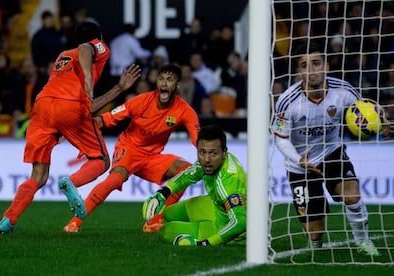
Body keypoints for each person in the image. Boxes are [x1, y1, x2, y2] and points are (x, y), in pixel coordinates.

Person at [0, 21, 141, 233]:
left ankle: (8, 220)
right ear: (97, 39)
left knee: (38, 175)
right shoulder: (97, 47)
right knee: (101, 160)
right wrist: (89, 81)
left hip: (43, 106)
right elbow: (85, 48)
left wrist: (119, 88)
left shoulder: (63, 56)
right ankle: (71, 182)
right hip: (69, 107)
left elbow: (87, 107)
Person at [271, 41, 384, 256]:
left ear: (326, 66)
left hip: (331, 151)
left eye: (316, 63)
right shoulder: (287, 101)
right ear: (299, 71)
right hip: (300, 164)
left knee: (352, 196)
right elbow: (281, 139)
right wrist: (299, 159)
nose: (311, 71)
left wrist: (382, 126)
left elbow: (365, 116)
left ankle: (364, 242)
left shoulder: (345, 91)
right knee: (314, 235)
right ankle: (317, 223)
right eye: (304, 65)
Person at [63, 64, 200, 233]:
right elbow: (107, 119)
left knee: (186, 170)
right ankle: (75, 223)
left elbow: (197, 139)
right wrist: (77, 129)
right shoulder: (141, 101)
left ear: (177, 85)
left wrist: (208, 152)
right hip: (128, 149)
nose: (164, 84)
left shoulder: (185, 110)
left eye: (170, 80)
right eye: (161, 79)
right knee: (114, 180)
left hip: (152, 157)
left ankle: (156, 221)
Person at [142, 125, 246, 246]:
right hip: (216, 206)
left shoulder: (229, 182)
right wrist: (163, 192)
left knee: (165, 232)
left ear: (224, 152)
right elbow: (187, 176)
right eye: (202, 152)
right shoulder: (211, 162)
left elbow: (240, 223)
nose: (206, 159)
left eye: (213, 153)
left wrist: (207, 243)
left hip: (225, 227)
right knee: (169, 213)